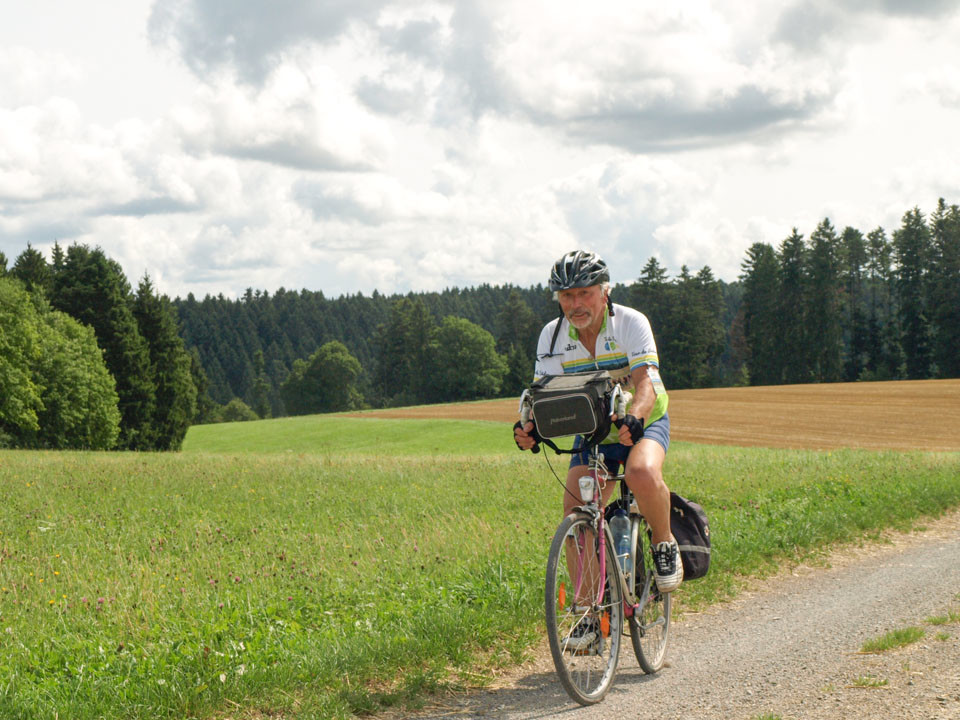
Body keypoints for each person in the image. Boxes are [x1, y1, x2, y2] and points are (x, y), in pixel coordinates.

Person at [514, 250, 681, 648]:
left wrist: (635, 417)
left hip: (643, 419)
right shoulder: (552, 337)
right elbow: (542, 395)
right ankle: (590, 617)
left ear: (605, 292)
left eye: (584, 293)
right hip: (593, 428)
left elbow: (645, 382)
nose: (575, 304)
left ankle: (663, 543)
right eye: (566, 296)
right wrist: (528, 427)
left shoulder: (630, 323)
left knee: (641, 472)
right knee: (576, 507)